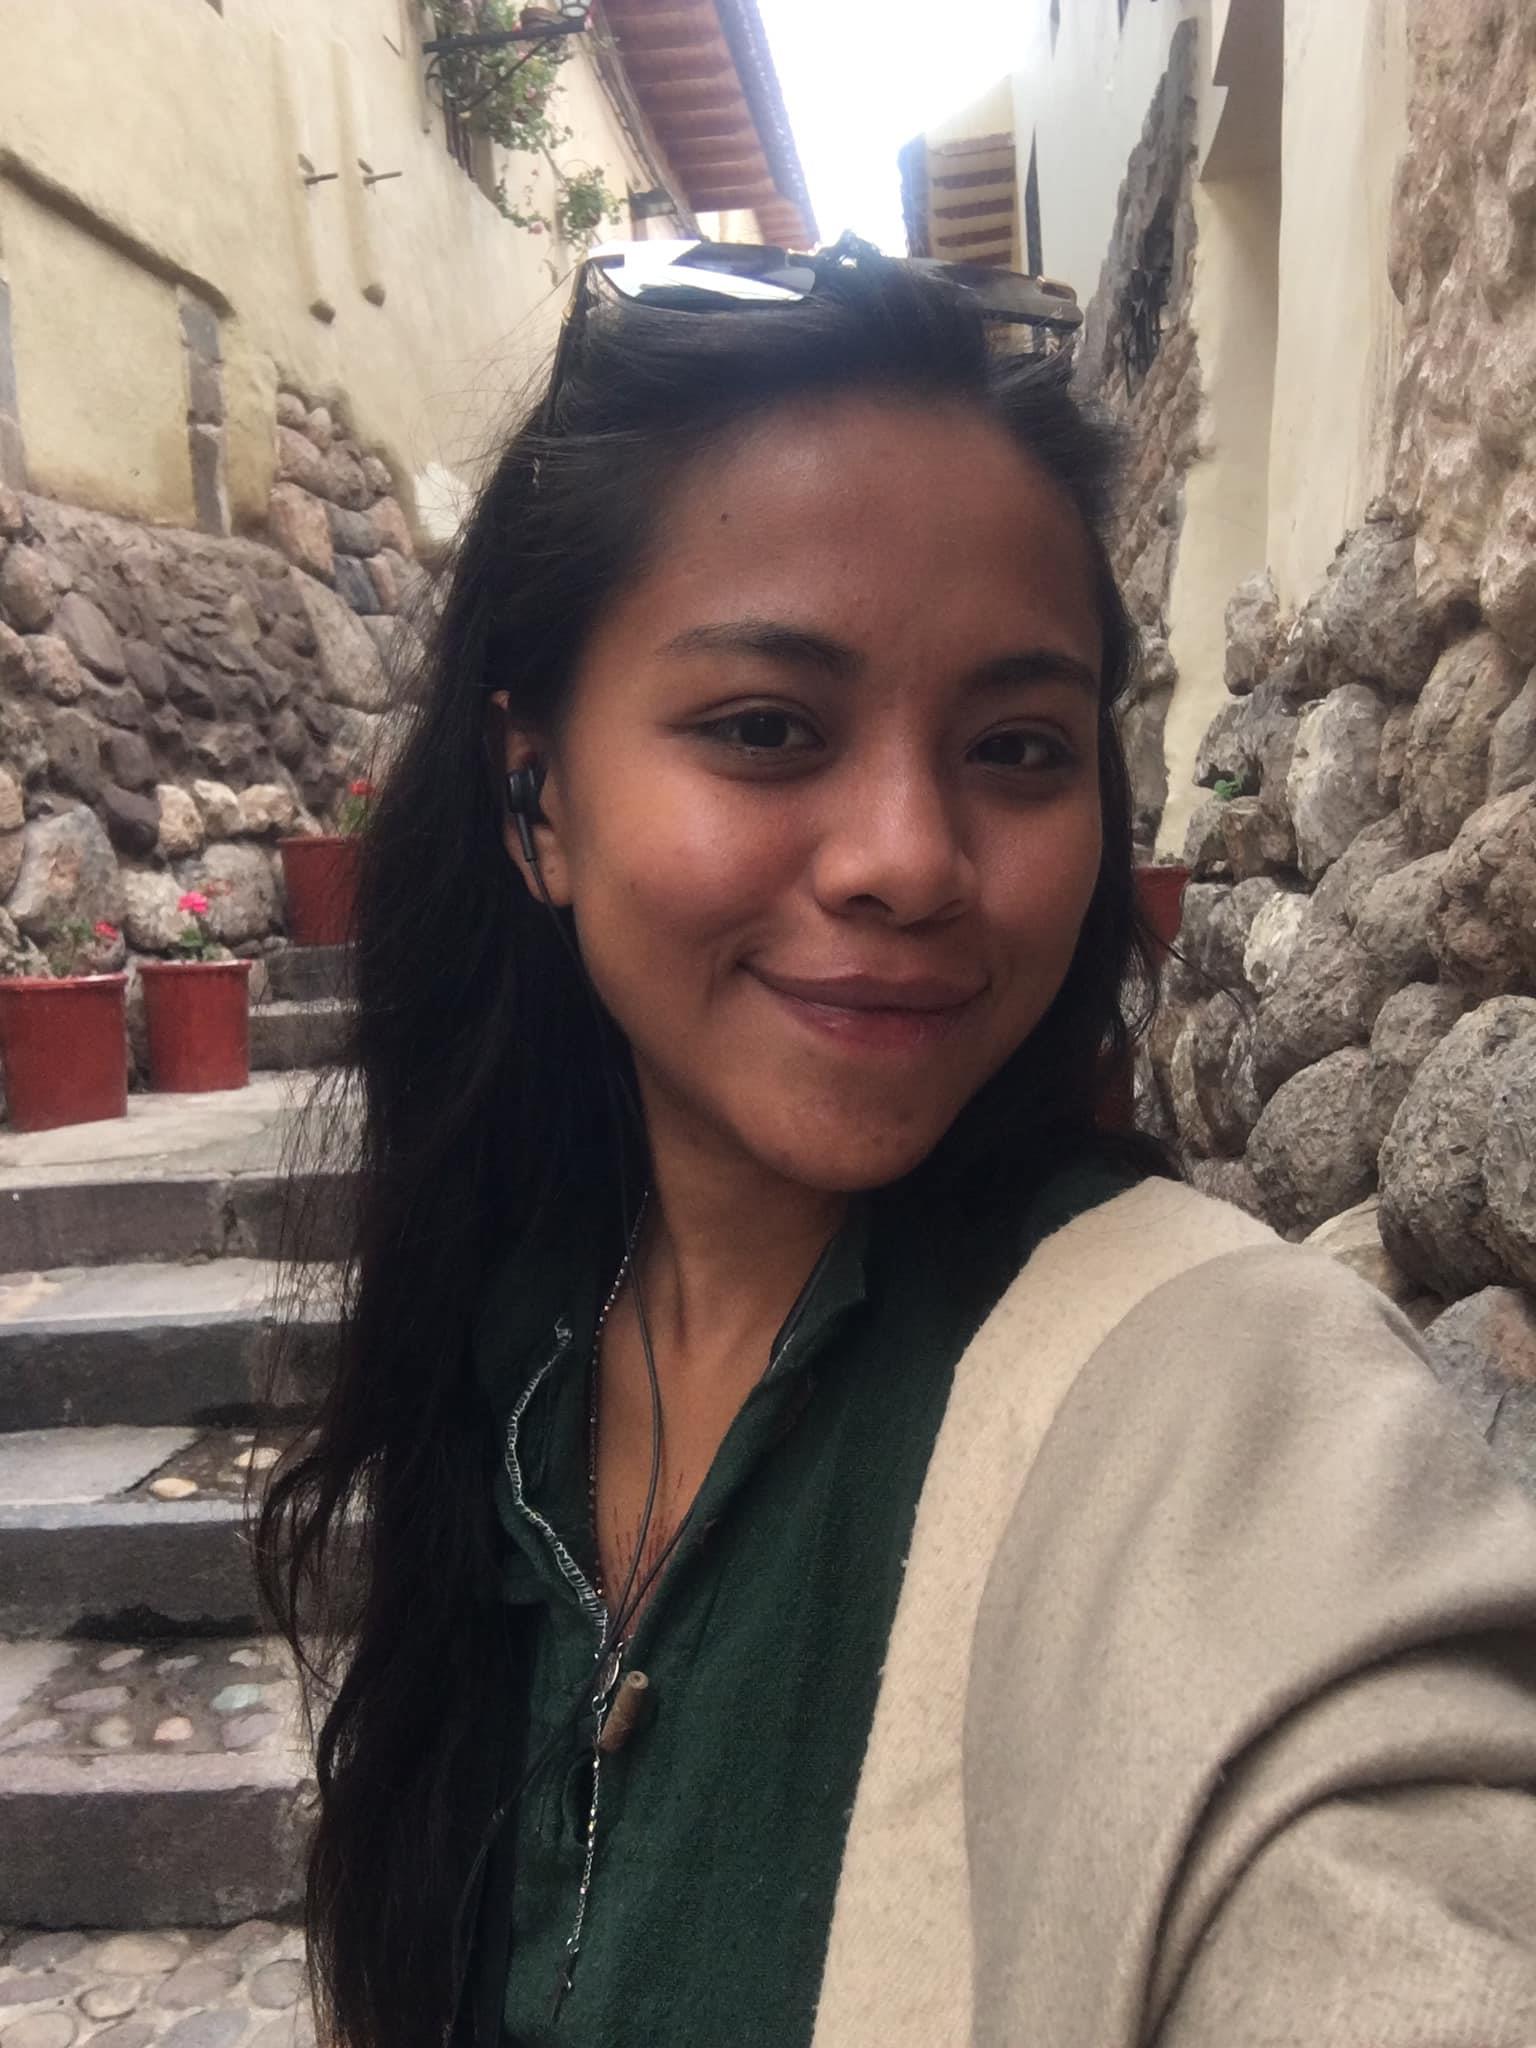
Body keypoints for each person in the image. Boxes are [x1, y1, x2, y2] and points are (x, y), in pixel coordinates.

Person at [258, 242, 1536, 2048]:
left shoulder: (1224, 1406)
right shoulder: (520, 1328)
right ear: (536, 793)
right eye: (767, 729)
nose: (909, 858)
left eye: (1016, 749)